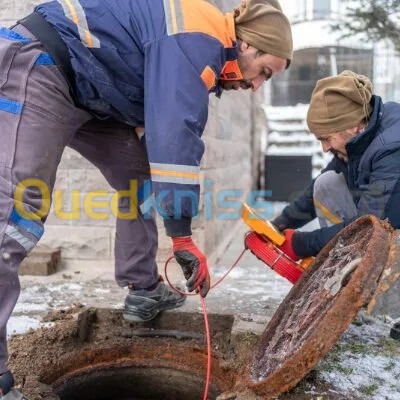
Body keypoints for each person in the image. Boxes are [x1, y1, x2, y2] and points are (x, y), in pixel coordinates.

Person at [0, 0, 293, 396]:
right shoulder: (198, 38)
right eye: (263, 72)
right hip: (42, 62)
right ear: (248, 46)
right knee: (18, 210)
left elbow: (155, 117)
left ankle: (143, 287)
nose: (256, 85)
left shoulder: (206, 50)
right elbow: (176, 139)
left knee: (137, 177)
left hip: (88, 91)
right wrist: (183, 238)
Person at [272, 70, 400, 284]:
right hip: (385, 224)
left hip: (391, 228)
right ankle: (346, 268)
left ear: (350, 126)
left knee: (370, 232)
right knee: (326, 184)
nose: (324, 148)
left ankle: (379, 293)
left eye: (326, 138)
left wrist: (300, 245)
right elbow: (316, 191)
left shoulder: (392, 147)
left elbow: (370, 224)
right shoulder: (360, 135)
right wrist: (281, 224)